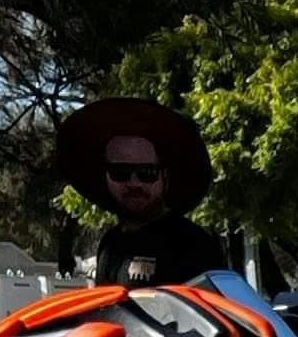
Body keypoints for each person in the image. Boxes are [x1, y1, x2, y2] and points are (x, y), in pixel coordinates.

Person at [54, 98, 235, 288]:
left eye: (146, 173)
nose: (134, 183)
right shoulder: (110, 244)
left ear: (165, 176)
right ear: (105, 176)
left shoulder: (194, 244)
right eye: (120, 173)